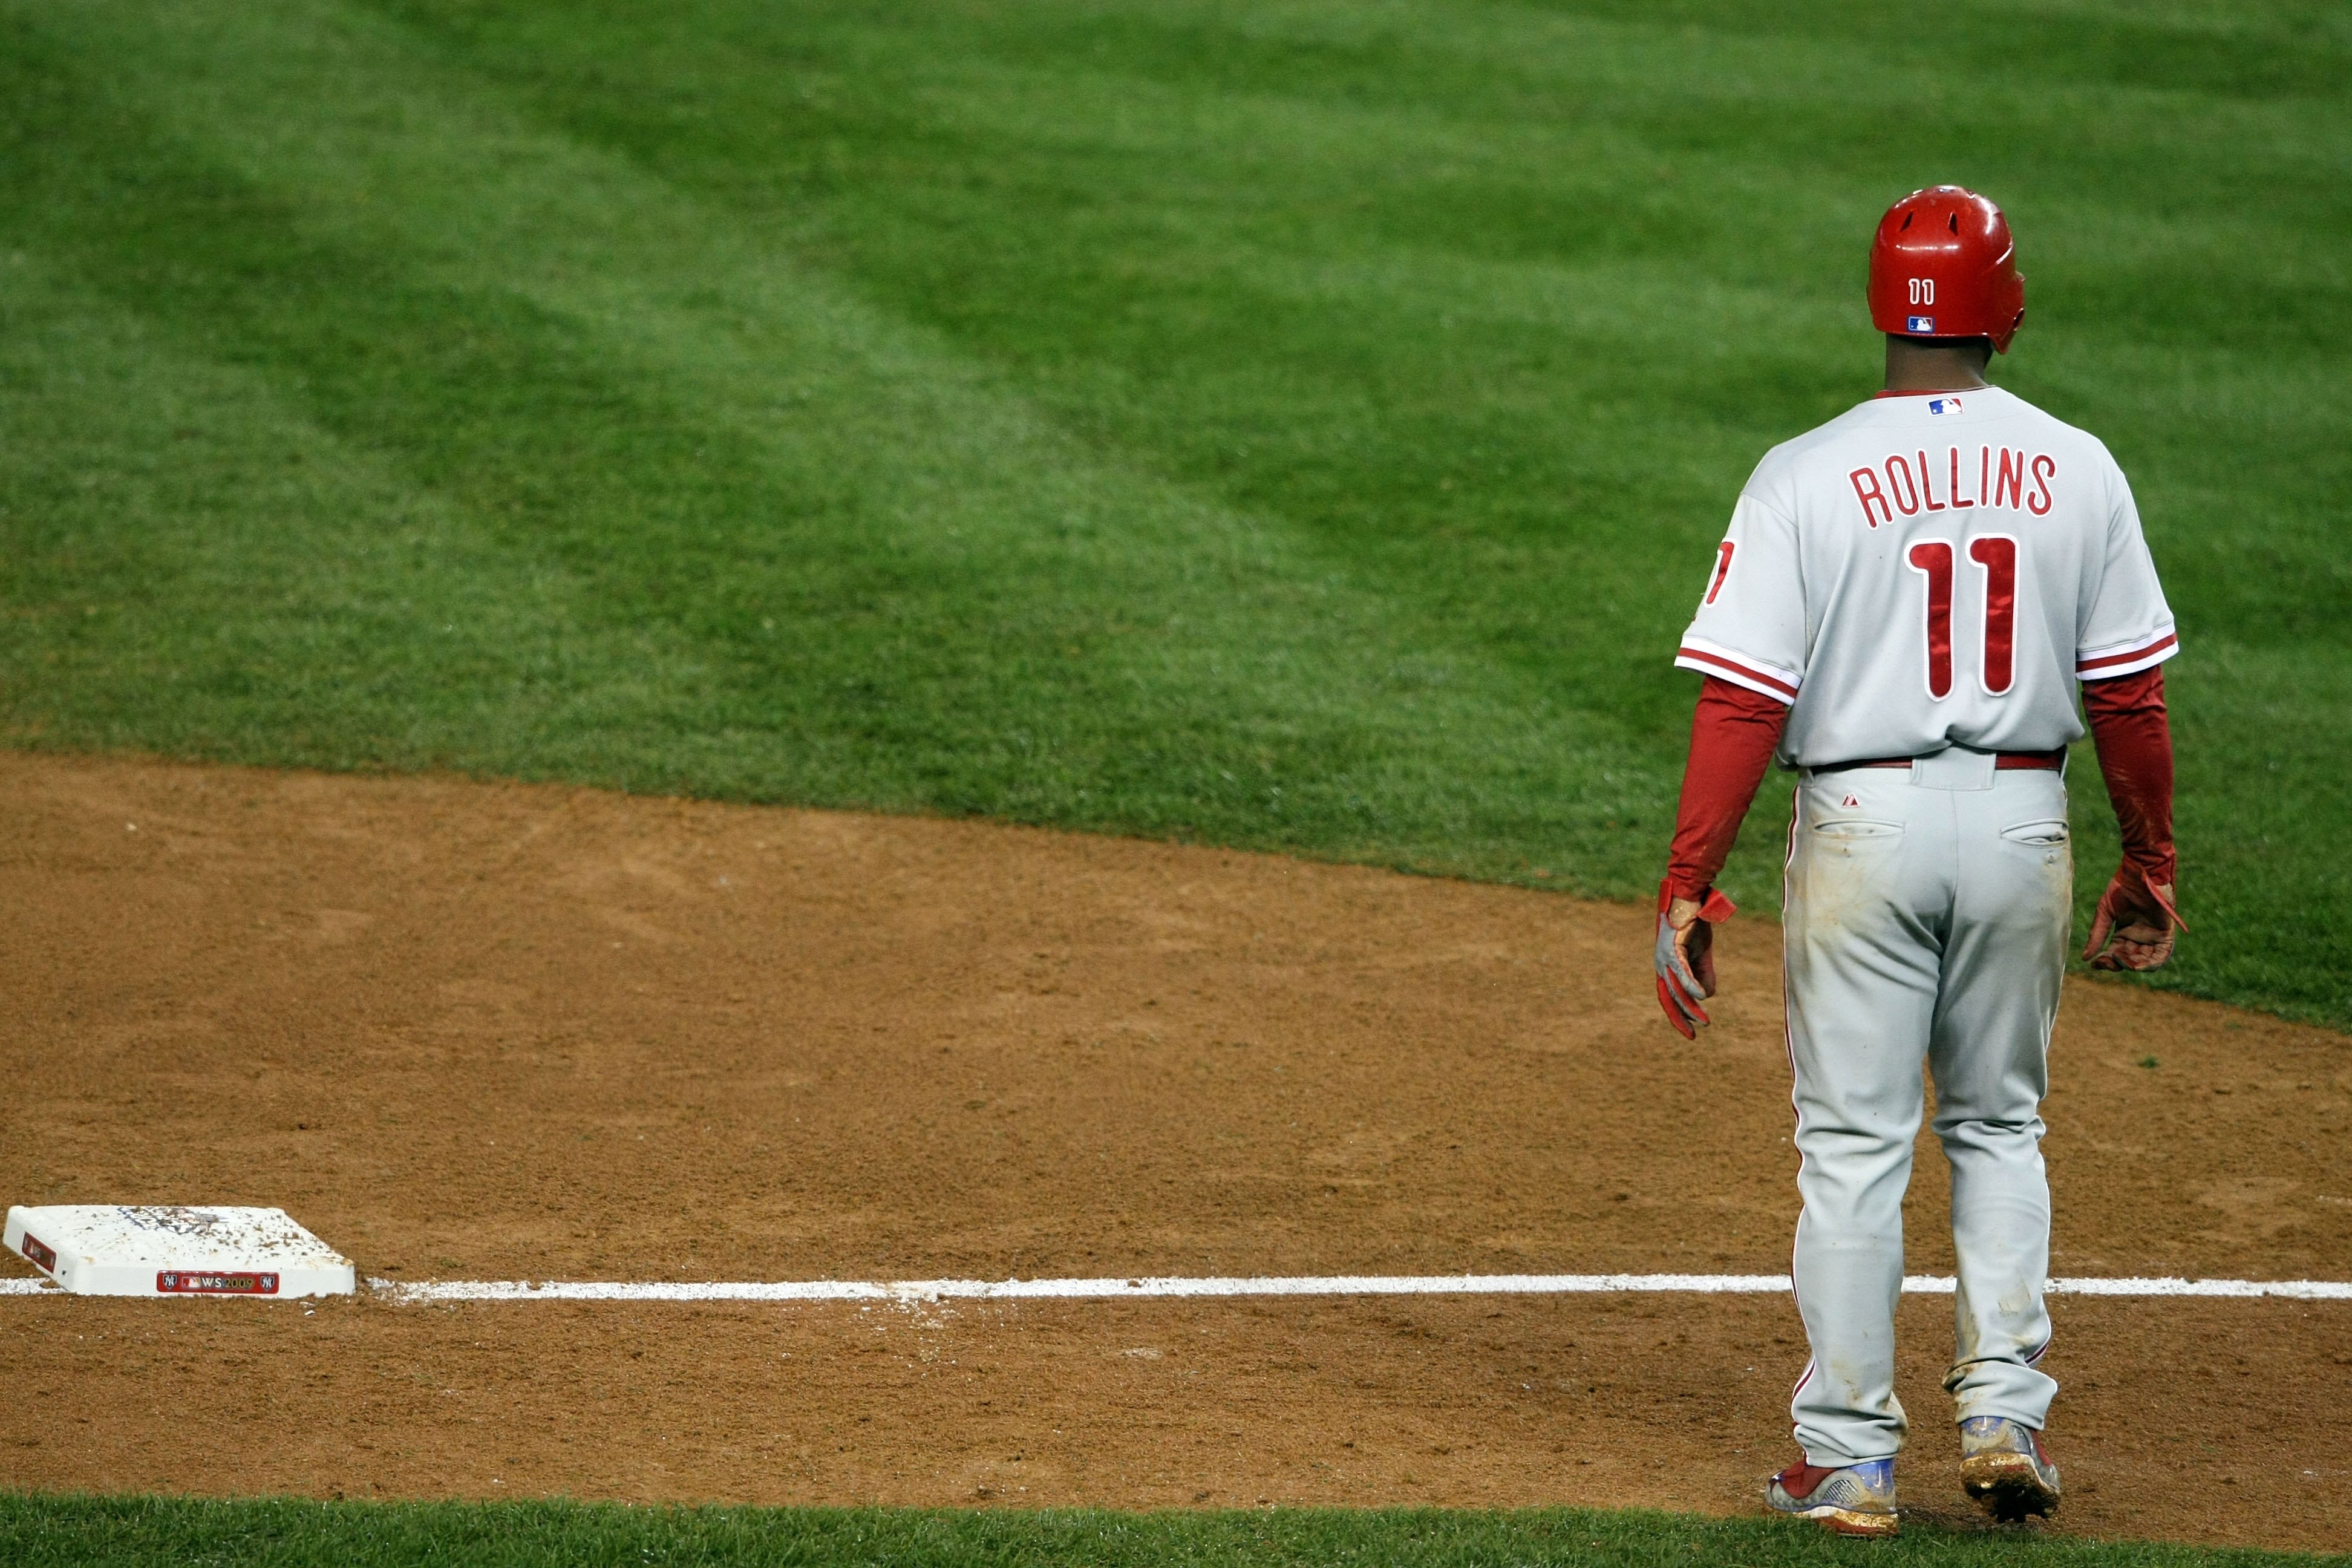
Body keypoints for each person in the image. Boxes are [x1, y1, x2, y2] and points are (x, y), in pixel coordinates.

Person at [1650, 186, 2184, 1537]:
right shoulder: (2081, 464)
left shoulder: (1805, 470)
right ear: (2003, 304)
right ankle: (2003, 1411)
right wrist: (2152, 859)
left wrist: (1689, 878)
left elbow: (1740, 703)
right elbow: (2128, 699)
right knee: (1999, 1123)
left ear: (1882, 302)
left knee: (1850, 1146)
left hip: (1862, 832)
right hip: (2021, 827)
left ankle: (1846, 1464)